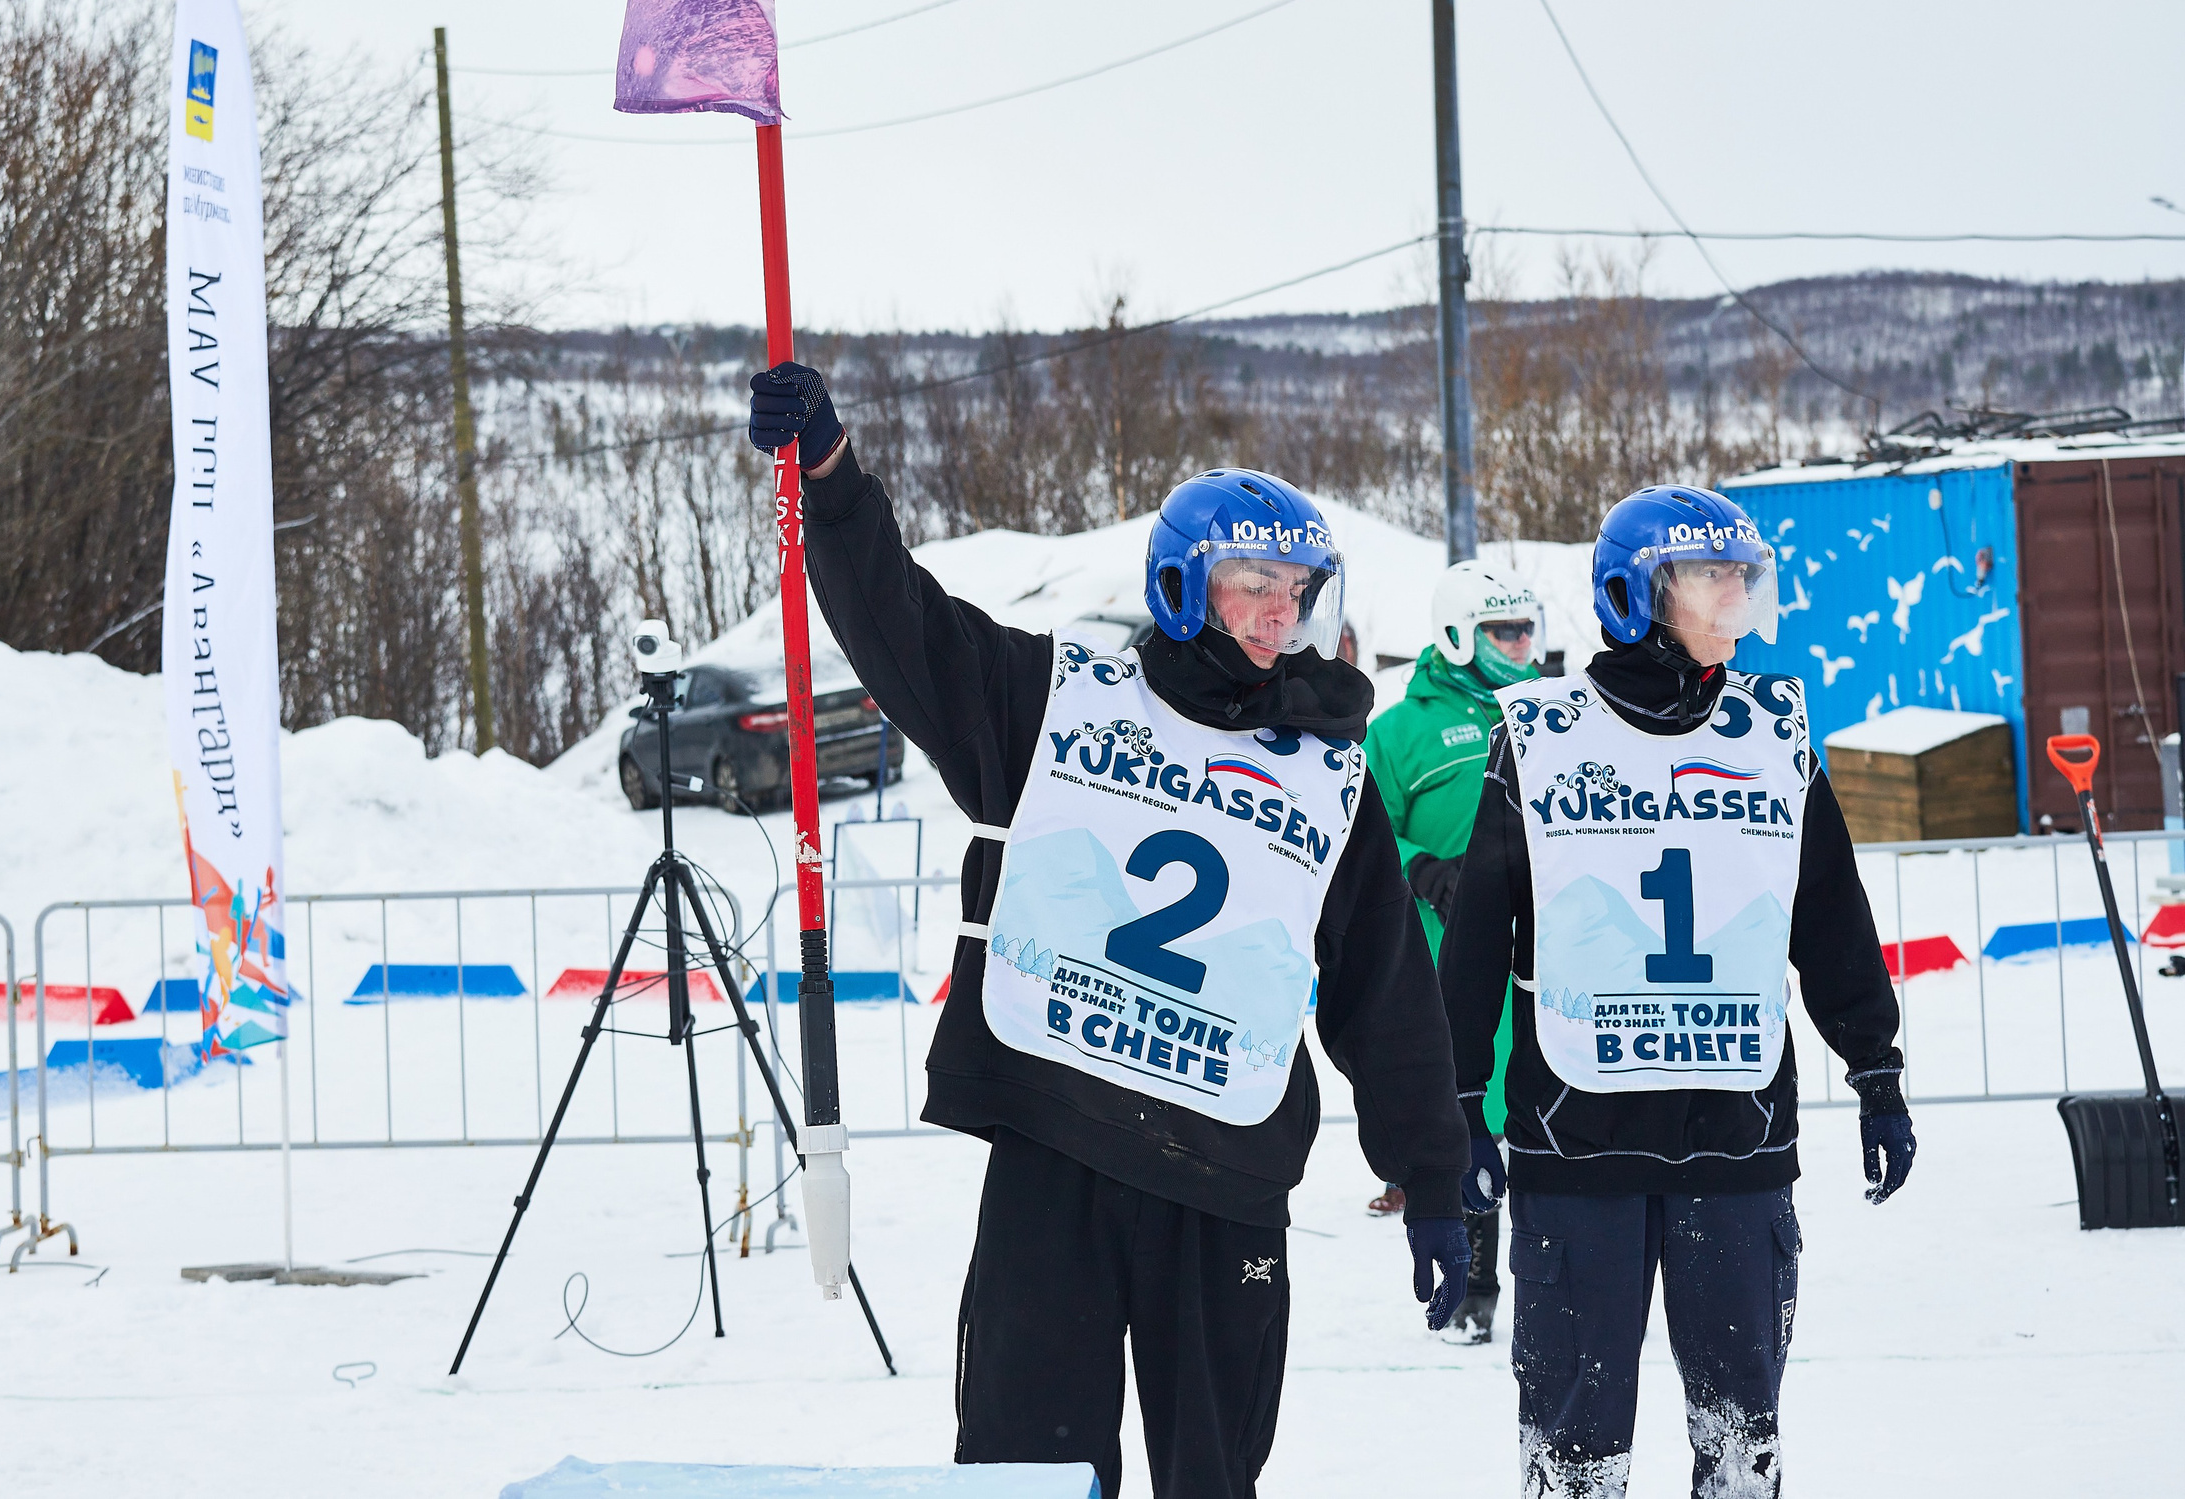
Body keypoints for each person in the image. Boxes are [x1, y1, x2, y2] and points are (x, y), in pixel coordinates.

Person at [749, 362, 1470, 1499]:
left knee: (1212, 1481)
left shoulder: (1330, 779)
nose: (1279, 611)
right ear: (1186, 586)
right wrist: (834, 485)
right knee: (1024, 1477)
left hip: (1224, 1175)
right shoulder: (1059, 700)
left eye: (1299, 587)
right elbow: (908, 633)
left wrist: (1433, 1175)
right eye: (1250, 583)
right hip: (1058, 1151)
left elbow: (1385, 993)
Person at [1441, 485, 1916, 1497]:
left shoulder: (1772, 731)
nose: (1737, 594)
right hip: (1578, 1147)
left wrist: (1875, 1069)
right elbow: (1477, 938)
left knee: (1741, 1449)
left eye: (1745, 575)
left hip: (1735, 1147)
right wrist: (1451, 1110)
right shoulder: (1535, 733)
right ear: (1638, 594)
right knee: (1573, 1460)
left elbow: (1827, 915)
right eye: (1713, 575)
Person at [1360, 561, 1545, 1340]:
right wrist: (1420, 866)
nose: (1520, 646)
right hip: (1445, 960)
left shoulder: (1550, 717)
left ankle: (1567, 1280)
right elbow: (1357, 826)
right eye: (1503, 632)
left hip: (1539, 952)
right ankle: (1472, 1281)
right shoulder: (1402, 729)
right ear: (1458, 635)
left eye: (1526, 631)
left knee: (1546, 1116)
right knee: (1463, 1116)